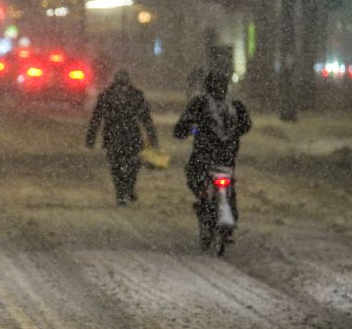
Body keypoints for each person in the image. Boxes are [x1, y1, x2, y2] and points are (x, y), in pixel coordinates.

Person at [173, 70, 252, 243]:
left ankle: (203, 202)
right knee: (229, 186)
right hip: (227, 156)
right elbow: (246, 125)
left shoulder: (199, 103)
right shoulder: (235, 105)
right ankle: (228, 223)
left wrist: (190, 130)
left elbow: (182, 127)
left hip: (204, 155)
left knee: (195, 178)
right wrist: (232, 135)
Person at [85, 70, 159, 205]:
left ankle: (120, 194)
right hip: (132, 136)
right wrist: (152, 138)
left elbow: (96, 119)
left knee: (116, 167)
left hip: (113, 137)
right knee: (134, 165)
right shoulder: (136, 95)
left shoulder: (106, 95)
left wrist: (91, 139)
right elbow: (146, 119)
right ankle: (129, 188)